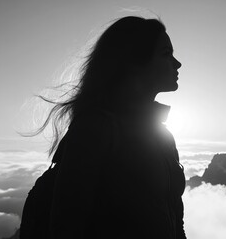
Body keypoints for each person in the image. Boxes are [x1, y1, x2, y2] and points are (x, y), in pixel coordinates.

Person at [29, 16, 186, 238]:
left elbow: (173, 219)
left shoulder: (162, 135)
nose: (177, 63)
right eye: (166, 54)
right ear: (133, 62)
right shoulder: (95, 130)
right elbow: (66, 227)